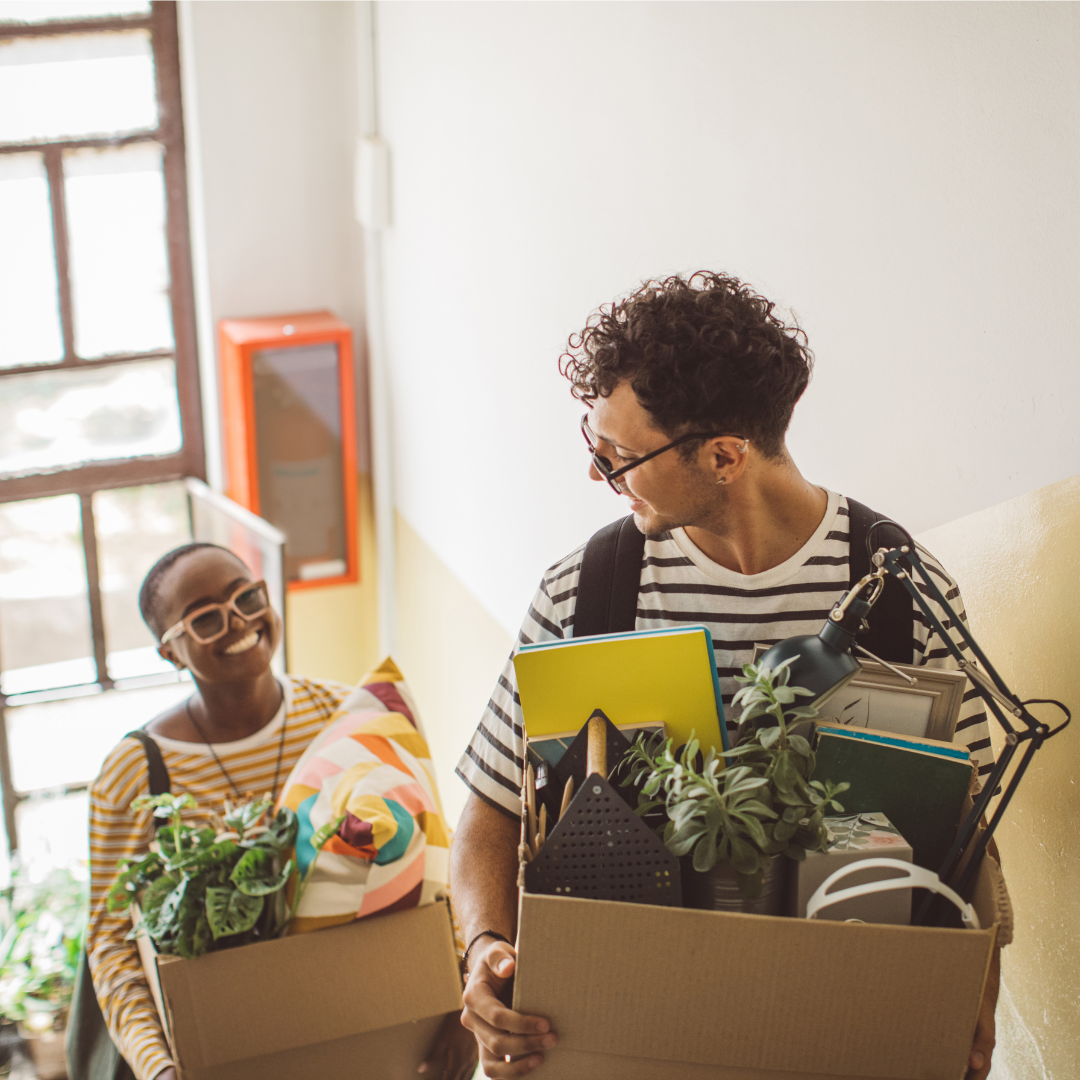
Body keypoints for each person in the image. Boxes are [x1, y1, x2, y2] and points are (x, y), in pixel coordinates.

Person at [450, 272, 998, 1079]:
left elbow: (969, 826)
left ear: (724, 455)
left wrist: (972, 999)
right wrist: (485, 950)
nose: (600, 475)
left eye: (620, 457)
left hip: (835, 1031)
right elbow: (492, 807)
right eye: (594, 448)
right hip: (631, 1031)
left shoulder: (898, 592)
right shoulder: (586, 588)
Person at [85, 542, 476, 1080]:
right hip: (227, 1050)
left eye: (247, 596)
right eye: (205, 618)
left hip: (367, 1028)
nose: (239, 621)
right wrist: (158, 1068)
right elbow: (110, 941)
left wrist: (463, 1000)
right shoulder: (133, 773)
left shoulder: (342, 715)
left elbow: (437, 852)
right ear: (170, 652)